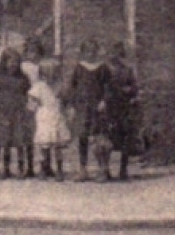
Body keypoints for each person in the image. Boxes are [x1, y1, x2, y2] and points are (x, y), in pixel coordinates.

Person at [64, 39, 111, 181]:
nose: (91, 54)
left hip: (97, 107)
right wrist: (71, 105)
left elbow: (108, 87)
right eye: (88, 51)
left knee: (99, 137)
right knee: (82, 137)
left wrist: (104, 101)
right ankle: (82, 169)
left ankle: (103, 169)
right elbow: (72, 87)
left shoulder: (102, 68)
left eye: (93, 51)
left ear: (97, 52)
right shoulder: (79, 68)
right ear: (83, 53)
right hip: (82, 108)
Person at [104, 42, 141, 181]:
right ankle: (105, 170)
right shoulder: (104, 70)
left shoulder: (127, 70)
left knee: (126, 138)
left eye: (118, 53)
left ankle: (123, 169)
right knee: (107, 138)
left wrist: (130, 91)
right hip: (109, 107)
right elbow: (101, 87)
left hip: (124, 107)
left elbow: (134, 87)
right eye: (112, 53)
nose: (115, 56)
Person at [0, 50, 31, 179]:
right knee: (5, 142)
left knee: (20, 142)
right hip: (4, 113)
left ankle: (21, 168)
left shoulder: (23, 78)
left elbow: (28, 94)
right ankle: (5, 169)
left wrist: (27, 111)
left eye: (16, 62)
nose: (13, 64)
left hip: (19, 112)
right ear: (5, 62)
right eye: (10, 61)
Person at [30, 57, 70, 180]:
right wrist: (33, 106)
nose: (50, 76)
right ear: (42, 73)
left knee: (57, 145)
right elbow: (32, 102)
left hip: (57, 115)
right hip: (44, 116)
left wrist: (66, 110)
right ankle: (44, 168)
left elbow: (65, 100)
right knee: (44, 145)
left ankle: (59, 169)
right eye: (47, 73)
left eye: (53, 72)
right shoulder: (39, 86)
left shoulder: (60, 86)